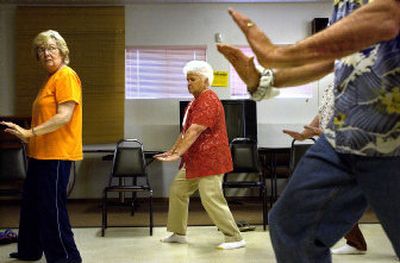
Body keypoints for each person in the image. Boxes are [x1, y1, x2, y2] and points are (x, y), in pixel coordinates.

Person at [217, 0, 399, 262]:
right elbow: (338, 58)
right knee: (292, 228)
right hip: (342, 137)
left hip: (392, 138)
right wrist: (265, 80)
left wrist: (278, 54)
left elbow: (388, 16)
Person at [1, 30, 83, 263]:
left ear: (62, 51)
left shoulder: (66, 75)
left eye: (51, 48)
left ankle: (66, 258)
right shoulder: (51, 79)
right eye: (41, 49)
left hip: (57, 154)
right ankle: (30, 249)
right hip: (40, 153)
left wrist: (30, 132)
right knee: (31, 204)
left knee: (51, 208)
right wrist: (27, 136)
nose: (46, 53)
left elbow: (64, 116)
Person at [155, 60, 245, 250]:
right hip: (195, 160)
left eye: (192, 79)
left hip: (210, 160)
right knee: (178, 190)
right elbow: (185, 132)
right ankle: (178, 233)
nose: (188, 83)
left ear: (205, 80)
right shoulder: (195, 102)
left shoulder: (209, 100)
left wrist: (178, 153)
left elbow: (195, 130)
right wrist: (173, 151)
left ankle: (234, 237)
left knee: (211, 197)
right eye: (187, 80)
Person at [283, 86, 368, 255]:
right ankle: (355, 242)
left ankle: (355, 242)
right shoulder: (331, 87)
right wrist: (303, 135)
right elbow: (322, 114)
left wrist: (327, 133)